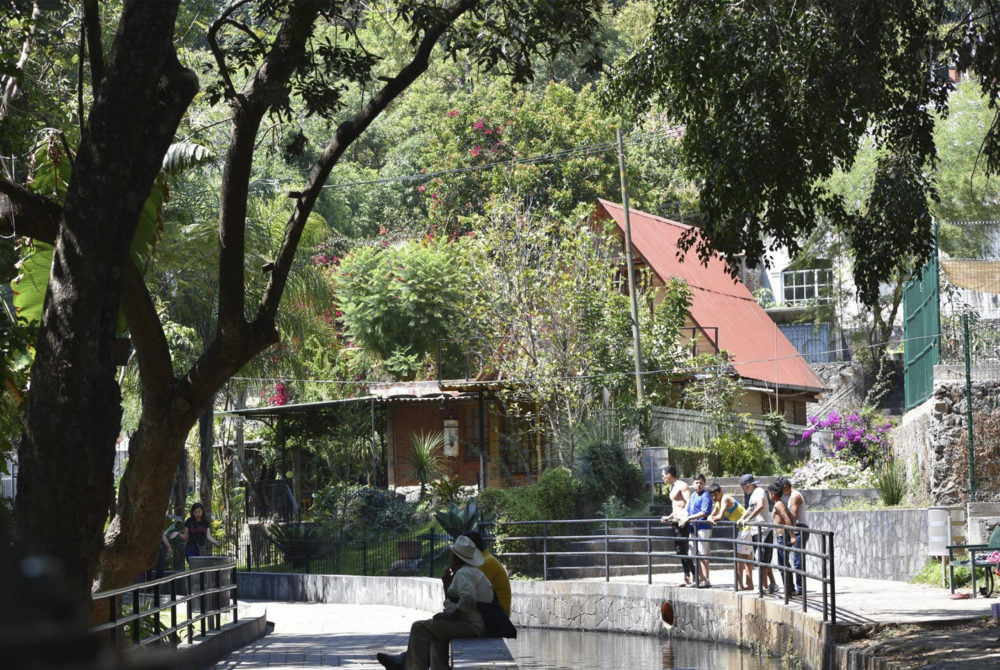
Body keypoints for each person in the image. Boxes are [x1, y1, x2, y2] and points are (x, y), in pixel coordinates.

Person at [376, 536, 496, 670]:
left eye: (451, 558)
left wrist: (452, 616)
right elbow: (457, 600)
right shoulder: (470, 572)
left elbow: (469, 598)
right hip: (475, 624)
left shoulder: (463, 573)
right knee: (436, 631)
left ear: (456, 559)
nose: (450, 561)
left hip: (472, 625)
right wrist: (447, 586)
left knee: (419, 628)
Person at [707, 483, 753, 590]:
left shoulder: (725, 499)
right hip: (741, 529)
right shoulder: (718, 502)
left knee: (740, 558)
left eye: (716, 494)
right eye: (712, 495)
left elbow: (720, 516)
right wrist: (710, 517)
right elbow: (712, 514)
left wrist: (711, 519)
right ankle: (746, 584)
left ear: (721, 492)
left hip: (745, 528)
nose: (714, 497)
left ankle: (742, 585)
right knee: (744, 557)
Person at [740, 474, 777, 594]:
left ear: (748, 485)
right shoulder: (752, 495)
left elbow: (760, 506)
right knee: (762, 559)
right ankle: (771, 584)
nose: (743, 490)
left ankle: (763, 587)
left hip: (764, 530)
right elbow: (750, 508)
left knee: (762, 560)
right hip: (756, 531)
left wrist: (748, 519)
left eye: (743, 487)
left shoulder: (759, 491)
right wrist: (742, 518)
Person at [659, 465, 695, 587]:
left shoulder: (682, 485)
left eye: (664, 475)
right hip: (675, 521)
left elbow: (689, 503)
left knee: (682, 549)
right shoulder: (671, 487)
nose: (663, 478)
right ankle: (687, 576)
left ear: (669, 474)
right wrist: (668, 517)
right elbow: (676, 506)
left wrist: (685, 517)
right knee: (680, 551)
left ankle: (693, 575)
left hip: (682, 522)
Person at [464, 531, 511, 616]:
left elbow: (469, 594)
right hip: (494, 614)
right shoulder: (486, 560)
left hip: (497, 618)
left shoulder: (485, 563)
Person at [682, 474, 713, 587]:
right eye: (696, 482)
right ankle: (698, 579)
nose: (698, 485)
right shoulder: (693, 496)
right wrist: (683, 517)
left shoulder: (706, 496)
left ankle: (706, 580)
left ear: (704, 484)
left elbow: (704, 512)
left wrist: (689, 518)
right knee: (694, 554)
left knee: (703, 555)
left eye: (701, 482)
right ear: (692, 484)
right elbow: (687, 510)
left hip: (703, 529)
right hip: (692, 529)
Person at [768, 482, 797, 596]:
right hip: (783, 536)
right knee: (785, 563)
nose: (769, 495)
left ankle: (789, 589)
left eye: (770, 493)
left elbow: (787, 518)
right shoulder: (781, 503)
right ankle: (790, 588)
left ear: (774, 494)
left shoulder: (778, 505)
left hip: (783, 537)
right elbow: (791, 517)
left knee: (782, 564)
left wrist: (792, 535)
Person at [782, 477, 808, 596]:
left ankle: (800, 589)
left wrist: (784, 515)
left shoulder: (795, 496)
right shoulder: (792, 496)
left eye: (782, 490)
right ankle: (795, 587)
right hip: (796, 529)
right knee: (793, 558)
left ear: (786, 487)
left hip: (800, 529)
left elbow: (794, 517)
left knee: (798, 560)